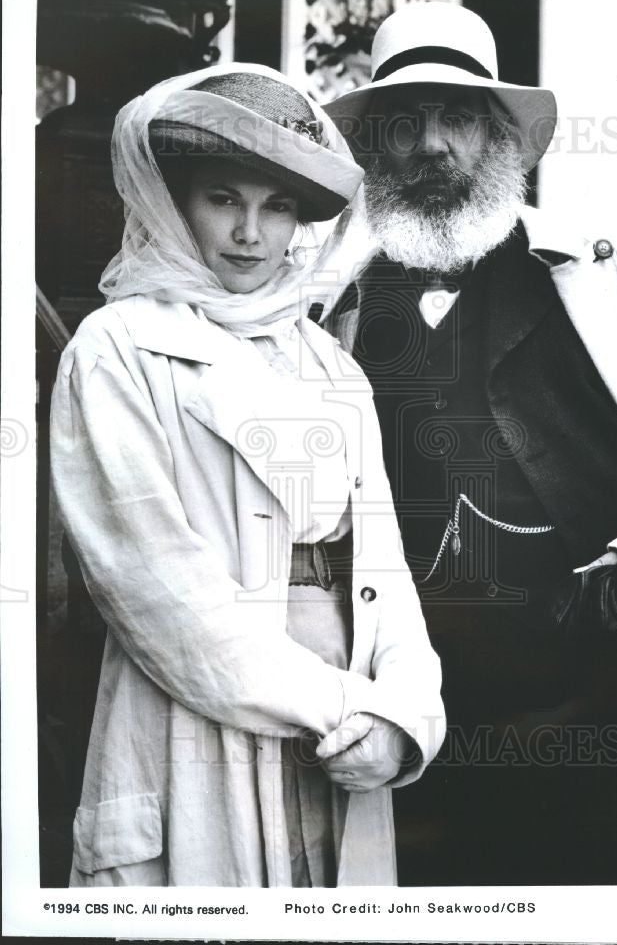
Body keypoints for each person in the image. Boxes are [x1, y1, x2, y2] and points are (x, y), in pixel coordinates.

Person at [322, 2, 617, 885]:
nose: (433, 147)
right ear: (371, 151)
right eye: (404, 124)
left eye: (460, 118)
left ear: (505, 139)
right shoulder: (327, 316)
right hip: (437, 739)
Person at [49, 63, 445, 888]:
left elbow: (384, 570)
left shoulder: (330, 365)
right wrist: (350, 710)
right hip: (201, 711)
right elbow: (158, 592)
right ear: (174, 200)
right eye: (224, 198)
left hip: (348, 720)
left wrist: (408, 714)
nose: (249, 233)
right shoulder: (118, 348)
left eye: (277, 208)